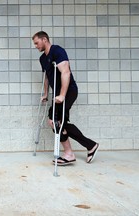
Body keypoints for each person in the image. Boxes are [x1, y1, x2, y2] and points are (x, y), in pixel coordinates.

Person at [32, 31, 99, 165]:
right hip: (58, 95)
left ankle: (70, 153)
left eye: (36, 43)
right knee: (59, 123)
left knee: (54, 121)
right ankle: (89, 146)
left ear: (44, 39)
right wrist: (46, 94)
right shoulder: (42, 59)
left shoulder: (57, 51)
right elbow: (46, 77)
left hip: (69, 91)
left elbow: (65, 72)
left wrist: (62, 95)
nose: (35, 46)